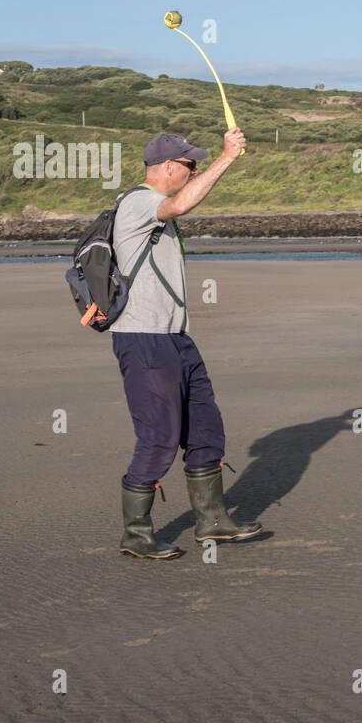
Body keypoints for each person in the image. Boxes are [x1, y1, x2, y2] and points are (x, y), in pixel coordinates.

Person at [110, 129, 260, 559]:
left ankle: (212, 520)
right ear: (169, 167)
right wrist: (227, 158)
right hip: (143, 339)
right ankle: (136, 534)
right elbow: (180, 202)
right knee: (158, 436)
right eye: (190, 164)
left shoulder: (159, 211)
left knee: (205, 429)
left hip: (175, 338)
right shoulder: (139, 202)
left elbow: (179, 205)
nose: (193, 170)